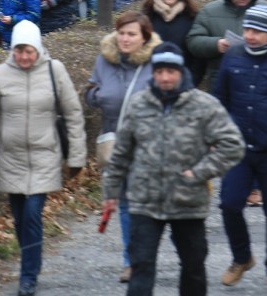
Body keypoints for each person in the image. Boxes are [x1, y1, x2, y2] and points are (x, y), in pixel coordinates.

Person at [102, 42, 246, 296]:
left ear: (182, 71)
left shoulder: (203, 105)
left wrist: (200, 172)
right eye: (159, 72)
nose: (165, 77)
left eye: (171, 71)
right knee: (141, 266)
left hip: (188, 201)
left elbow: (233, 145)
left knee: (193, 267)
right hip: (145, 201)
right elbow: (122, 153)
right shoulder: (138, 105)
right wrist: (111, 193)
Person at [0, 20, 86, 296]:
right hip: (12, 159)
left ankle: (28, 274)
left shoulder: (53, 70)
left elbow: (73, 113)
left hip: (45, 156)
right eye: (19, 50)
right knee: (21, 219)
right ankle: (29, 260)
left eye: (29, 51)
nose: (24, 56)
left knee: (33, 215)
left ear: (38, 49)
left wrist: (77, 158)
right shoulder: (0, 74)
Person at [213, 5, 267, 294]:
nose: (250, 36)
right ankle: (242, 258)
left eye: (257, 32)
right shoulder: (232, 56)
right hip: (238, 147)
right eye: (248, 30)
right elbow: (219, 98)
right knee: (229, 203)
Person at [84, 11, 161, 283]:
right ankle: (132, 261)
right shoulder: (104, 59)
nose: (125, 39)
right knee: (127, 203)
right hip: (115, 139)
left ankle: (146, 253)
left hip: (147, 142)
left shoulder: (155, 62)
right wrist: (98, 95)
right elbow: (89, 92)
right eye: (122, 33)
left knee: (146, 203)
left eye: (132, 34)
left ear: (144, 38)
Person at [141, 0, 204, 85]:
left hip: (184, 83)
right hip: (151, 84)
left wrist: (191, 83)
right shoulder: (147, 18)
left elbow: (198, 57)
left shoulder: (192, 17)